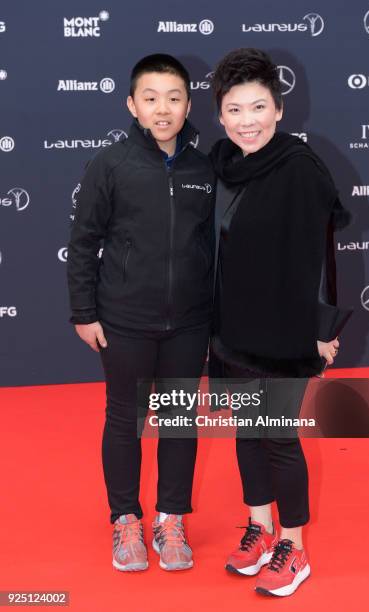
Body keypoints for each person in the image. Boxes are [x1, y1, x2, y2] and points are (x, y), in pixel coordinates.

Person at [209, 48, 350, 596]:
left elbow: (322, 254)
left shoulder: (300, 166)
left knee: (278, 436)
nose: (248, 120)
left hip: (289, 329)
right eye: (236, 109)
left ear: (280, 109)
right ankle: (260, 528)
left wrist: (322, 329)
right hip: (236, 328)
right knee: (247, 433)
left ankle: (294, 547)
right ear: (220, 114)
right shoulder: (222, 165)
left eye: (259, 107)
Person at [67, 54, 215, 572]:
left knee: (177, 420)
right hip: (124, 318)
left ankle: (171, 517)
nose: (162, 108)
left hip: (191, 321)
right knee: (125, 419)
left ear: (188, 104)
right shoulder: (110, 164)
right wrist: (84, 312)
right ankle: (125, 519)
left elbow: (214, 247)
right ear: (132, 104)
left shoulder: (204, 167)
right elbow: (83, 241)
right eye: (150, 98)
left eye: (174, 98)